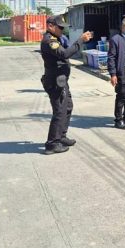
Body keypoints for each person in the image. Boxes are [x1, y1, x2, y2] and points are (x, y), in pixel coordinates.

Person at [40, 15, 92, 154]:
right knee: (59, 111)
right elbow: (65, 54)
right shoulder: (49, 41)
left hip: (61, 81)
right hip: (55, 82)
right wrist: (80, 40)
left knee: (68, 107)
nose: (62, 30)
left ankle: (61, 136)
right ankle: (52, 143)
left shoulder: (57, 38)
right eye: (60, 27)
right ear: (50, 26)